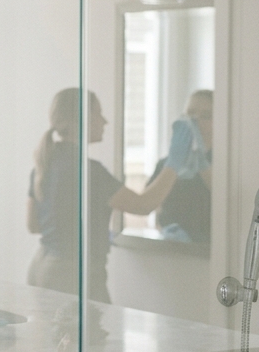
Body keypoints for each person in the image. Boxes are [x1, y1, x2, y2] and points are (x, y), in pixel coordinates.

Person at [26, 88, 189, 303]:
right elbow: (143, 205)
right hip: (72, 274)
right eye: (99, 113)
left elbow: (34, 226)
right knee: (90, 335)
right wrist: (173, 164)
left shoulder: (45, 163)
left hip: (41, 266)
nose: (105, 121)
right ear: (81, 119)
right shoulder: (89, 171)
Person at [144, 89, 213, 244]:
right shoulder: (167, 164)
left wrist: (202, 163)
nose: (196, 120)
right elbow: (148, 204)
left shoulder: (226, 164)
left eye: (206, 116)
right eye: (191, 113)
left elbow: (227, 199)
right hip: (171, 252)